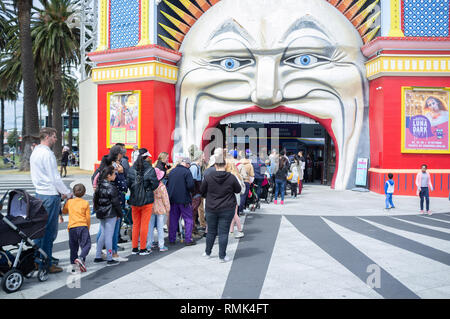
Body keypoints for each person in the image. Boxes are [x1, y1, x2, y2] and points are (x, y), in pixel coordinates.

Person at [31, 127, 72, 273]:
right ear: (47, 136)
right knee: (49, 231)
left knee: (40, 229)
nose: (56, 139)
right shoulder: (48, 154)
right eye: (54, 136)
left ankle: (38, 258)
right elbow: (55, 178)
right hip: (50, 195)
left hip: (39, 193)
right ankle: (46, 264)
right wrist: (67, 192)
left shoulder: (35, 151)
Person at [200, 154, 242, 262]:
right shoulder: (231, 177)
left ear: (215, 165)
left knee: (211, 231)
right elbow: (238, 190)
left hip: (211, 208)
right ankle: (222, 256)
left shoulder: (208, 177)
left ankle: (208, 252)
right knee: (223, 233)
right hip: (227, 208)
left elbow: (202, 191)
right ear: (225, 164)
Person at [127, 148, 159, 255]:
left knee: (135, 224)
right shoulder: (150, 169)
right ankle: (143, 248)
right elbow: (155, 184)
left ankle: (134, 248)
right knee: (144, 224)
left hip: (134, 200)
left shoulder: (131, 169)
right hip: (147, 200)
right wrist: (148, 189)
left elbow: (128, 184)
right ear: (147, 157)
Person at [93, 166, 122, 266]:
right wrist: (120, 214)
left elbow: (95, 201)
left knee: (103, 234)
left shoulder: (99, 186)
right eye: (114, 174)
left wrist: (97, 210)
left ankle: (98, 256)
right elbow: (116, 203)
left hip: (101, 213)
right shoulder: (111, 187)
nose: (115, 175)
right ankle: (110, 258)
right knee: (109, 236)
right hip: (111, 213)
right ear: (109, 176)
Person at [166, 157, 196, 245]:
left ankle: (172, 239)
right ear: (187, 164)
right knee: (188, 219)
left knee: (173, 219)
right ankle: (188, 239)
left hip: (173, 199)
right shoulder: (187, 172)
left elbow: (168, 185)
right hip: (184, 200)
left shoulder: (172, 171)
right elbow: (191, 186)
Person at [62, 184, 91, 272]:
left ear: (74, 192)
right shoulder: (85, 203)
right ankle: (81, 258)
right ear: (84, 193)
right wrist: (87, 227)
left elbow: (64, 211)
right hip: (82, 226)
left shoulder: (69, 202)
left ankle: (74, 265)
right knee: (86, 244)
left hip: (72, 228)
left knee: (73, 247)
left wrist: (66, 202)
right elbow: (88, 218)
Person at [148, 168, 170, 252]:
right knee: (160, 227)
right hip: (160, 208)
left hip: (150, 207)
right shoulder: (161, 186)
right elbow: (165, 199)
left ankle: (149, 245)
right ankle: (161, 245)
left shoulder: (149, 185)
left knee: (150, 228)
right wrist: (168, 208)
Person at [226, 160, 246, 239]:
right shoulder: (237, 175)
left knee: (234, 214)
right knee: (233, 214)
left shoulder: (232, 175)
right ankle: (231, 231)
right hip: (236, 196)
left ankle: (240, 230)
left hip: (233, 196)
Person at [189, 150, 204, 237]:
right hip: (195, 194)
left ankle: (194, 230)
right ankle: (192, 231)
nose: (204, 157)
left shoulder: (196, 166)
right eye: (203, 156)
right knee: (193, 212)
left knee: (194, 212)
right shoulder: (194, 167)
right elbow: (193, 181)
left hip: (196, 193)